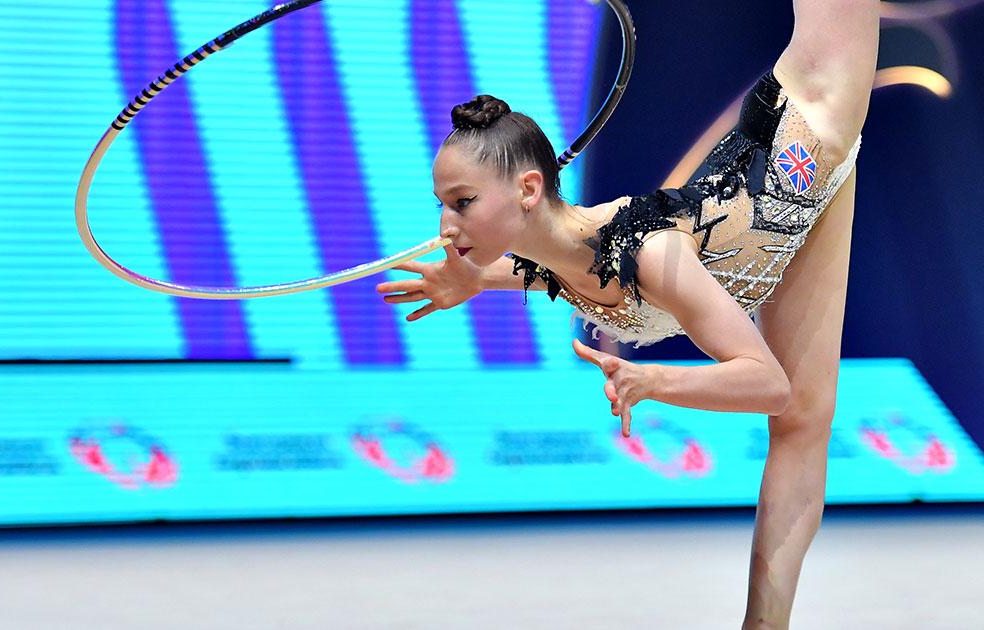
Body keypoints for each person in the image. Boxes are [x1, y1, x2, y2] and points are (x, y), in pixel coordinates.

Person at [376, 2, 880, 627]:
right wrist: (473, 280)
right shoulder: (557, 256)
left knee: (793, 404)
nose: (446, 227)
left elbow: (764, 382)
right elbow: (541, 270)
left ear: (528, 190)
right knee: (806, 420)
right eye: (442, 205)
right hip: (804, 202)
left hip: (814, 103)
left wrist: (654, 380)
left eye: (463, 202)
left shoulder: (647, 251)